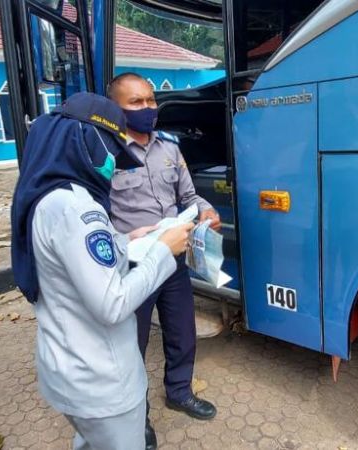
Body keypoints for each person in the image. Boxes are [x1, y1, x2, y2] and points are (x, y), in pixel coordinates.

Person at [11, 92, 194, 450]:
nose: (114, 162)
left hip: (69, 372)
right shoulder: (79, 210)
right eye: (111, 149)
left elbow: (76, 261)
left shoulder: (50, 198)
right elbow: (112, 303)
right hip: (101, 383)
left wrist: (128, 240)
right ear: (87, 140)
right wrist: (162, 251)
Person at [106, 73, 221, 443]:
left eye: (151, 101)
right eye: (135, 103)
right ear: (116, 108)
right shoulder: (105, 154)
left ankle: (180, 392)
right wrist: (124, 239)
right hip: (133, 265)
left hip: (171, 260)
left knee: (182, 330)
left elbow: (188, 196)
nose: (147, 109)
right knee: (131, 346)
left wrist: (206, 211)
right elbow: (92, 218)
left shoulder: (170, 147)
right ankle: (135, 417)